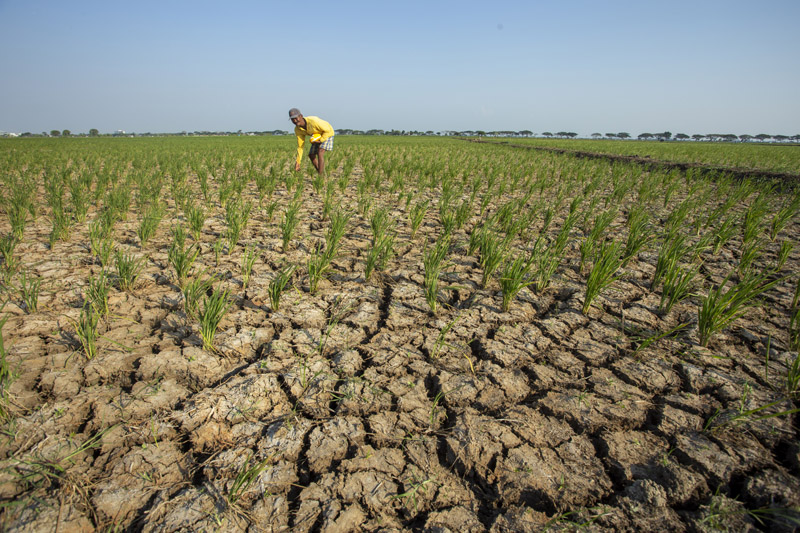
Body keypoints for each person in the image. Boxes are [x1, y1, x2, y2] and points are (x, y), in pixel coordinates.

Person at [289, 108, 335, 175]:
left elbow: (327, 130)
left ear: (301, 116)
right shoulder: (297, 130)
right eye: (292, 119)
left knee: (320, 152)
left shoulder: (313, 121)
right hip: (316, 135)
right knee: (311, 155)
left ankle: (320, 177)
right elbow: (300, 146)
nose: (295, 121)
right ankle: (321, 173)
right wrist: (298, 162)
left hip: (327, 133)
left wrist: (321, 140)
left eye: (296, 118)